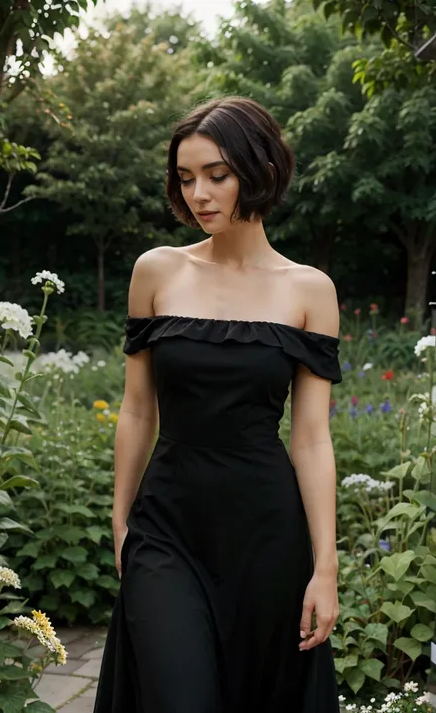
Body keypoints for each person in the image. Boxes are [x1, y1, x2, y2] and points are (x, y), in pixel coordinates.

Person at [93, 95, 342, 713]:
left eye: (217, 175)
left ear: (258, 170)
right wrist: (120, 521)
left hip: (266, 534)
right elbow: (137, 410)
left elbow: (311, 438)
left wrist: (326, 565)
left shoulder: (310, 291)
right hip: (167, 527)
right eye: (186, 178)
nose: (198, 194)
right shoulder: (156, 272)